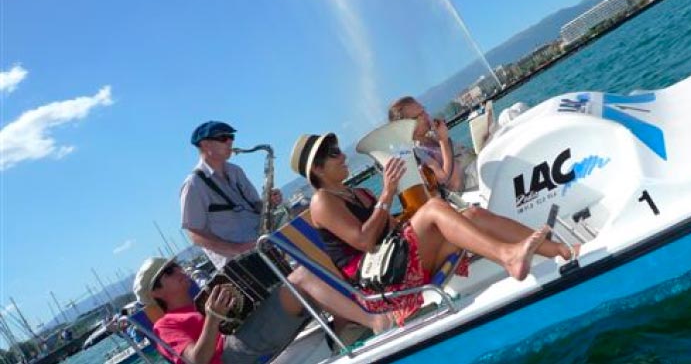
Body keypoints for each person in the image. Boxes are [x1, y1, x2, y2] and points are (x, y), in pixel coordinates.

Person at [290, 132, 576, 325]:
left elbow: (389, 229)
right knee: (435, 209)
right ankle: (508, 256)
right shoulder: (322, 201)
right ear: (317, 169)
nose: (343, 156)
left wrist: (406, 204)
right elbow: (364, 241)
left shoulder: (360, 193)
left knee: (472, 215)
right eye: (334, 153)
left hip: (399, 264)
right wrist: (387, 194)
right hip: (382, 286)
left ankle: (560, 250)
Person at [134, 257, 391, 364]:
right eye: (169, 272)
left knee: (295, 273)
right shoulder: (164, 327)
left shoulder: (198, 304)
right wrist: (213, 317)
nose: (179, 271)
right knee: (300, 278)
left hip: (242, 338)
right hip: (230, 356)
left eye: (176, 266)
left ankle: (349, 327)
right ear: (156, 293)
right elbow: (197, 360)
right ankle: (375, 322)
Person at [180, 121, 281, 269]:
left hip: (264, 246)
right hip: (239, 263)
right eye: (223, 138)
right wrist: (237, 249)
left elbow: (255, 206)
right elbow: (194, 234)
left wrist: (269, 203)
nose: (230, 142)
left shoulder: (236, 171)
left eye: (231, 137)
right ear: (205, 144)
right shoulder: (193, 185)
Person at [387, 97, 476, 193]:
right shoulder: (418, 153)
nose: (426, 115)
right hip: (468, 184)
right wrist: (443, 141)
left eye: (424, 110)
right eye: (419, 115)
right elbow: (444, 179)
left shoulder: (431, 136)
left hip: (474, 168)